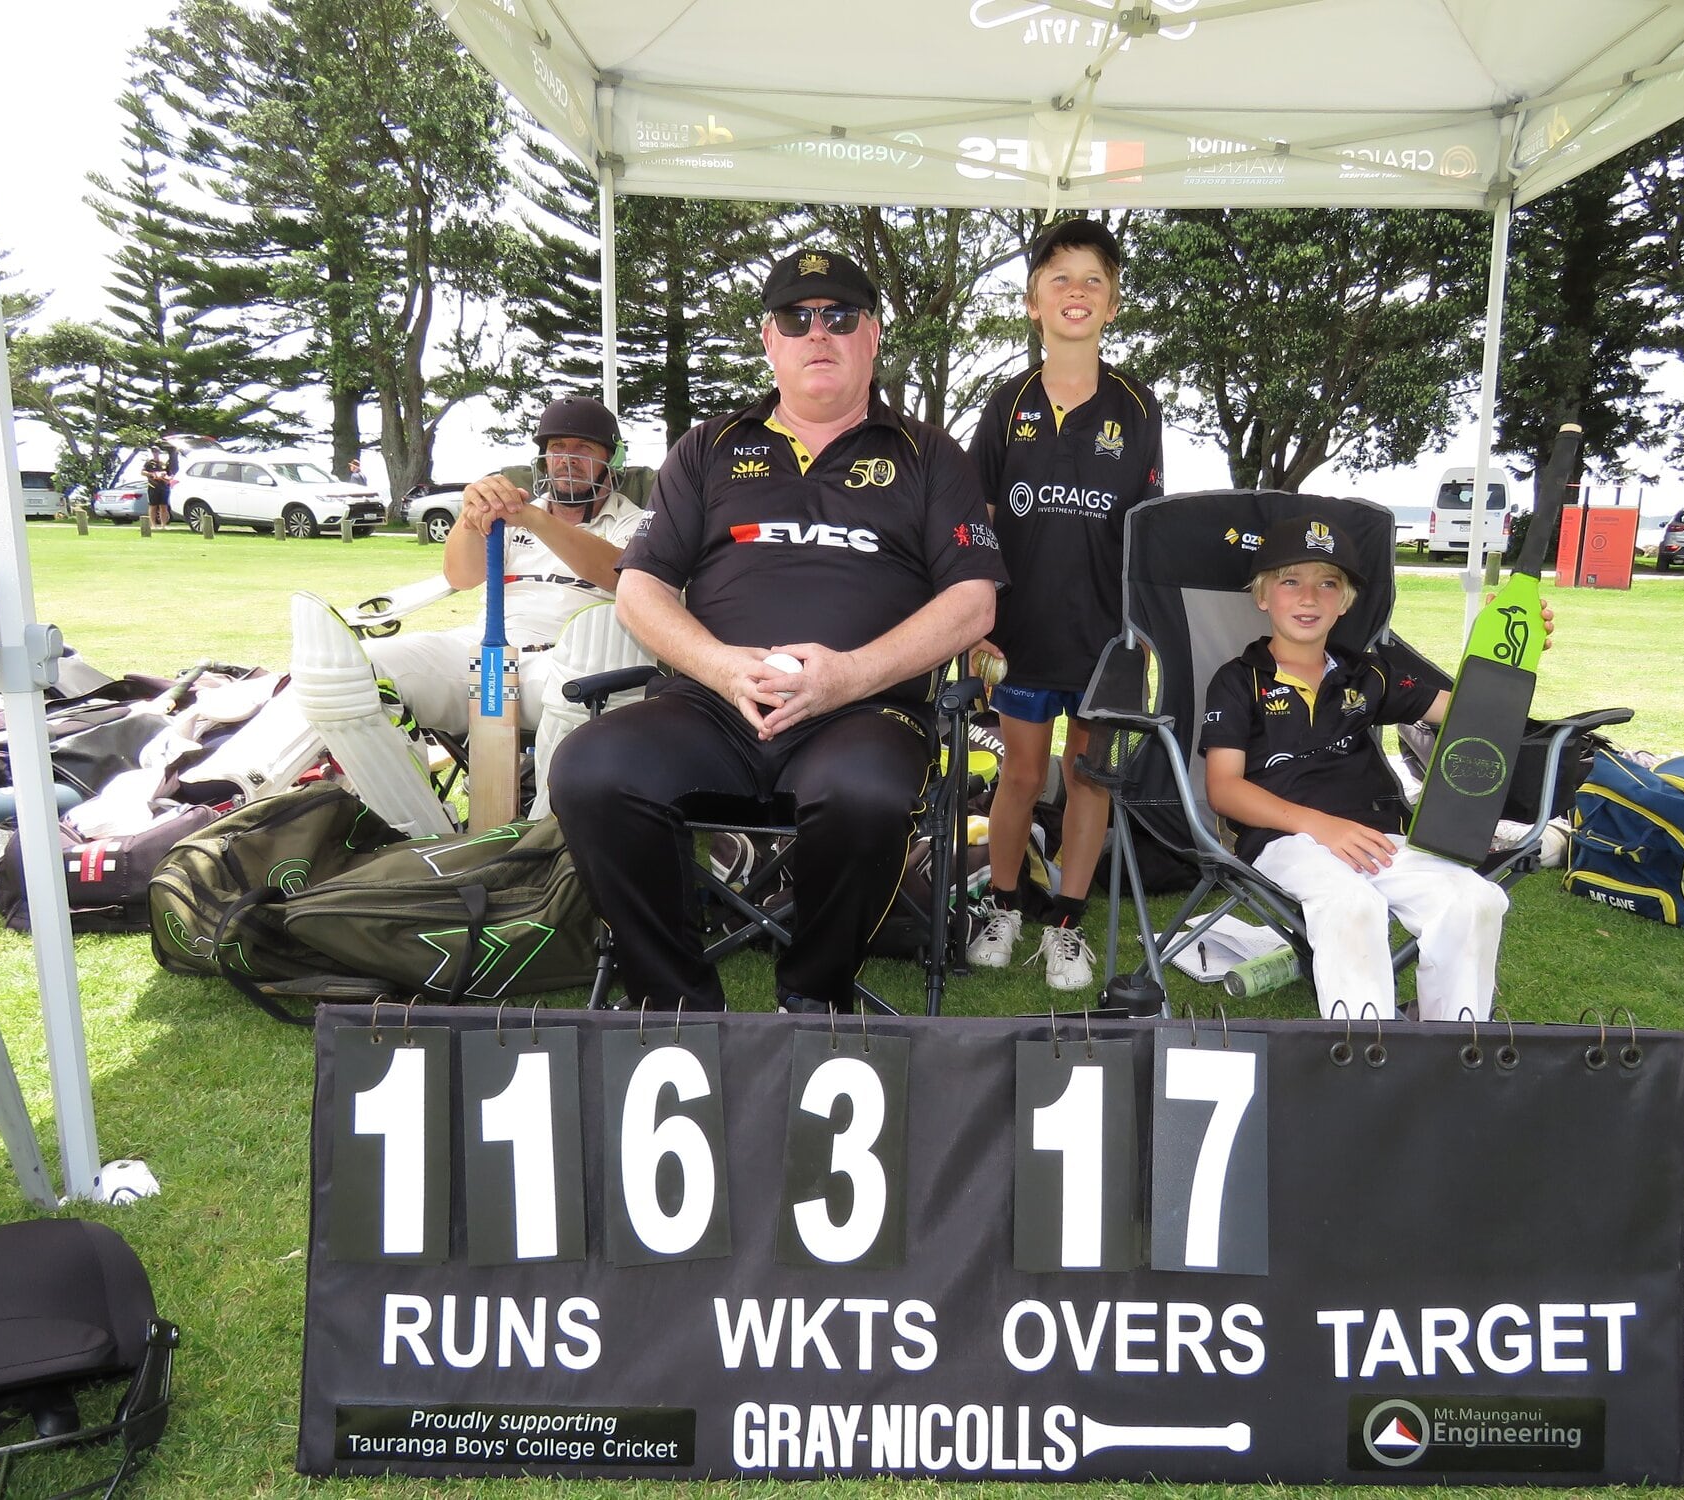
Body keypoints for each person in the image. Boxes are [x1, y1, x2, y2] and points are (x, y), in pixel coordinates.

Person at [549, 247, 1005, 1014]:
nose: (817, 332)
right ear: (769, 340)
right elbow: (641, 587)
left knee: (863, 792)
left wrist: (851, 676)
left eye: (839, 316)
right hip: (710, 705)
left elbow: (973, 604)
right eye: (797, 318)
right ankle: (677, 1004)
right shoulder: (710, 447)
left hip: (865, 709)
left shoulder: (931, 456)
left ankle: (815, 995)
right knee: (590, 768)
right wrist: (724, 667)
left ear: (872, 336)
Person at [1198, 516, 1520, 1024]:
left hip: (1377, 837)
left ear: (1345, 602)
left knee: (1474, 899)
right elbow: (1223, 789)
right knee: (1352, 905)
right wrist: (1319, 825)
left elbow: (1475, 713)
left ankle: (1455, 1048)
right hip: (1285, 838)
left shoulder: (1367, 673)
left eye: (1328, 583)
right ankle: (1365, 1054)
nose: (1309, 597)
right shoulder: (1238, 682)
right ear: (1263, 596)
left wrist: (1504, 646)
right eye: (1290, 581)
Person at [287, 395, 648, 829]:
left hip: (570, 662)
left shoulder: (637, 521)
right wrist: (472, 515)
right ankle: (422, 830)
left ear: (613, 460)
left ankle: (539, 843)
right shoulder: (514, 517)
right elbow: (461, 577)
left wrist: (534, 519)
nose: (565, 460)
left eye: (582, 450)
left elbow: (617, 575)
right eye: (556, 449)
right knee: (352, 672)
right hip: (488, 650)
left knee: (581, 665)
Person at [964, 217, 1163, 993]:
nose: (1075, 292)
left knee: (1088, 776)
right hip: (1019, 631)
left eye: (1093, 280)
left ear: (1113, 304)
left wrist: (1142, 631)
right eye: (1060, 279)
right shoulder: (1004, 400)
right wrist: (978, 623)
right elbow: (974, 522)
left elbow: (1146, 531)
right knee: (1018, 775)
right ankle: (1005, 907)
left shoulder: (1138, 407)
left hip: (1104, 638)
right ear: (1032, 302)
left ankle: (1068, 925)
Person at [140, 445, 173, 529]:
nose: (155, 453)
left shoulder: (163, 463)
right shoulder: (149, 463)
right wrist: (152, 474)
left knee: (164, 506)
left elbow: (170, 474)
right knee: (153, 506)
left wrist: (165, 476)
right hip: (153, 486)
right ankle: (153, 525)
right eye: (153, 452)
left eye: (156, 452)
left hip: (164, 487)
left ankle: (163, 525)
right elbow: (142, 472)